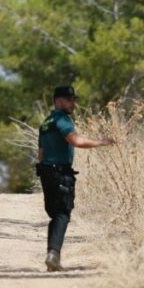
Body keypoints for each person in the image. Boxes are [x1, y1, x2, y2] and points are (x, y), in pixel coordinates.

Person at [36, 85, 115, 272]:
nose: (73, 103)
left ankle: (52, 256)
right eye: (68, 99)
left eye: (73, 99)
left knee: (55, 214)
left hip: (46, 172)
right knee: (63, 213)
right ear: (57, 101)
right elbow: (76, 141)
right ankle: (53, 255)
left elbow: (40, 153)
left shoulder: (46, 122)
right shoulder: (62, 120)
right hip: (60, 173)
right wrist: (101, 142)